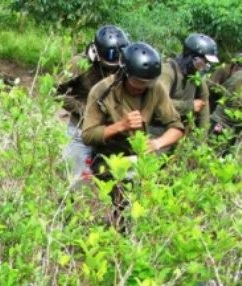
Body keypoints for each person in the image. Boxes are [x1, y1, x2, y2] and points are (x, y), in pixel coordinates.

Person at [82, 43, 184, 229]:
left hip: (139, 156)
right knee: (118, 202)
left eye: (147, 83)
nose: (142, 87)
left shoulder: (155, 89)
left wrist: (158, 143)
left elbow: (176, 127)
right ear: (125, 73)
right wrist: (120, 126)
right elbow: (88, 135)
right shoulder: (102, 90)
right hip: (109, 156)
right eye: (138, 82)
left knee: (150, 202)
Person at [56, 25, 130, 183]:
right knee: (74, 178)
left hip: (112, 128)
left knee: (120, 176)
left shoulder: (126, 64)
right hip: (81, 126)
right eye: (107, 66)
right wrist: (85, 110)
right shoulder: (79, 64)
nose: (112, 70)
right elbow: (57, 92)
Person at [158, 33, 219, 131]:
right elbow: (160, 105)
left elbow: (204, 106)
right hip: (158, 129)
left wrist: (201, 140)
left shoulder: (196, 76)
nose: (205, 66)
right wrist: (189, 106)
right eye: (204, 61)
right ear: (191, 56)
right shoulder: (167, 72)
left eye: (208, 63)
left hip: (179, 132)